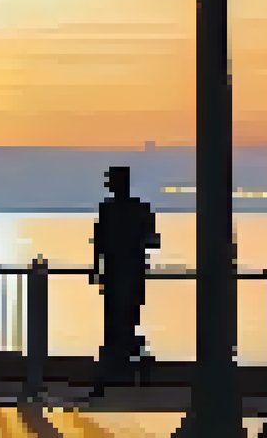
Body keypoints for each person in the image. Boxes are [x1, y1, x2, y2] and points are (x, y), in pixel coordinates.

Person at [89, 165, 159, 396]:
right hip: (130, 274)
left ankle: (112, 377)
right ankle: (130, 371)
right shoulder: (140, 209)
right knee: (125, 323)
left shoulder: (108, 210)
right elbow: (153, 241)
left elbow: (99, 244)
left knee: (115, 326)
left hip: (116, 274)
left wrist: (97, 270)